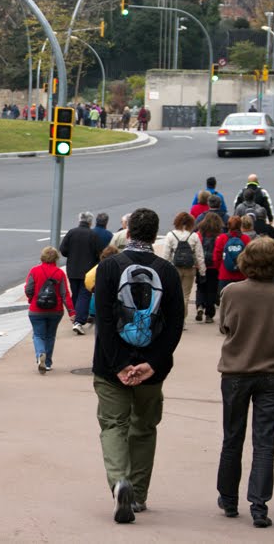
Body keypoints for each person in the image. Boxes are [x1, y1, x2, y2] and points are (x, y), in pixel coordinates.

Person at [92, 208, 185, 523]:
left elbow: (104, 321)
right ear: (154, 235)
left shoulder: (108, 268)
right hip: (153, 367)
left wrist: (119, 363)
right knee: (144, 428)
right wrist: (152, 363)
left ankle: (120, 481)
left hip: (110, 365)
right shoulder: (168, 272)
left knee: (113, 426)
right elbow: (174, 325)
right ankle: (139, 495)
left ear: (128, 233)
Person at [216, 238, 274, 529]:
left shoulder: (231, 292)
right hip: (273, 372)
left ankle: (228, 497)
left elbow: (225, 326)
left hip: (236, 371)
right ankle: (259, 504)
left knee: (232, 437)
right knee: (265, 442)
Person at [24, 246, 76, 374]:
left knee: (38, 335)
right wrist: (72, 312)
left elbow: (28, 289)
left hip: (36, 309)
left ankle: (40, 353)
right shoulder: (59, 273)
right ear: (56, 259)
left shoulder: (34, 271)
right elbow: (65, 294)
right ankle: (47, 363)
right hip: (55, 310)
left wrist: (32, 299)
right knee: (50, 336)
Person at [60, 211, 102, 335]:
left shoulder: (71, 233)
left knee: (76, 294)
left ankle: (75, 316)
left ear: (79, 220)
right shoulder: (93, 235)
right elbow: (99, 253)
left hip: (72, 269)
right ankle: (78, 321)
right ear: (90, 222)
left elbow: (63, 250)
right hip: (87, 271)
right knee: (84, 295)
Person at [162, 212, 206, 327]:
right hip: (189, 268)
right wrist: (202, 271)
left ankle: (174, 317)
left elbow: (166, 255)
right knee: (185, 295)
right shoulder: (194, 236)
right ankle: (182, 319)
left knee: (174, 293)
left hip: (174, 268)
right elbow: (199, 255)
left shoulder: (171, 235)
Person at [196, 212, 225, 324]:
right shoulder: (219, 235)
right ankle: (209, 314)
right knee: (211, 290)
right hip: (213, 266)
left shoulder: (199, 234)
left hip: (201, 264)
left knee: (200, 286)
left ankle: (199, 305)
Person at [214, 216, 250, 300]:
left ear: (228, 226)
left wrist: (219, 269)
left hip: (225, 275)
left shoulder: (222, 238)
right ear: (240, 225)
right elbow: (250, 257)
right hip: (241, 275)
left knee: (226, 303)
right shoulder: (245, 239)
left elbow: (216, 257)